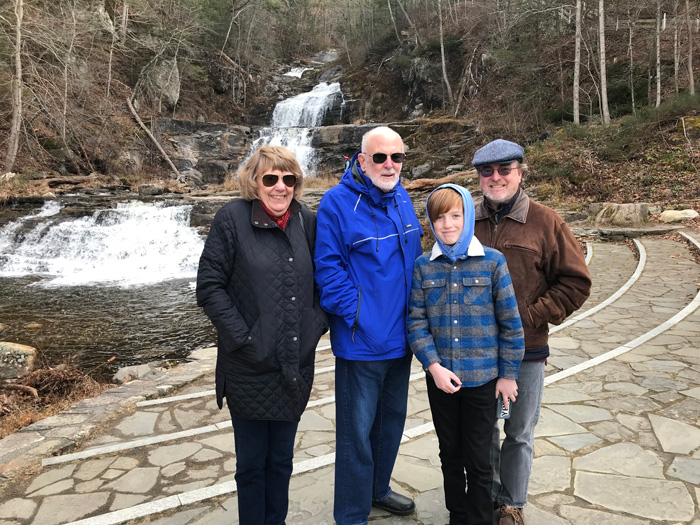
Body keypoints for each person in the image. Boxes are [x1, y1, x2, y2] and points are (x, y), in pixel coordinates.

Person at [196, 145, 328, 525]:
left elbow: (324, 281)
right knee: (252, 466)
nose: (280, 187)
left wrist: (314, 326)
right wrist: (243, 338)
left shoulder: (307, 221)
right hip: (248, 366)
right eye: (270, 178)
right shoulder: (231, 219)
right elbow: (209, 286)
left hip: (293, 364)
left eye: (289, 179)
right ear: (255, 182)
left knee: (282, 462)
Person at [471, 139, 592, 525]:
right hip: (476, 352)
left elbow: (575, 282)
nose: (495, 177)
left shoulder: (546, 221)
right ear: (478, 177)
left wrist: (529, 316)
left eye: (504, 169)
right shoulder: (463, 220)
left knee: (519, 431)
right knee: (482, 431)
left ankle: (512, 505)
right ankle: (486, 497)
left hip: (527, 350)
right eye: (487, 171)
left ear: (520, 172)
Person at [314, 126, 423, 524]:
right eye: (380, 157)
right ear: (362, 161)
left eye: (396, 157)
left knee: (390, 425)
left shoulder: (403, 198)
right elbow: (328, 272)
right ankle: (351, 514)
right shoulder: (336, 204)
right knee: (356, 436)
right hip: (362, 343)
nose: (389, 164)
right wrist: (363, 318)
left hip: (403, 340)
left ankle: (378, 489)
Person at [407, 184, 525, 525]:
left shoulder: (492, 262)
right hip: (442, 381)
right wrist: (433, 366)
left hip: (483, 379)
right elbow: (416, 322)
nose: (447, 224)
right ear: (431, 223)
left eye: (455, 215)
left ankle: (478, 517)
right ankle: (457, 515)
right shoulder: (423, 267)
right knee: (450, 452)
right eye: (439, 217)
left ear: (468, 217)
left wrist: (507, 374)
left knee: (478, 456)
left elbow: (511, 324)